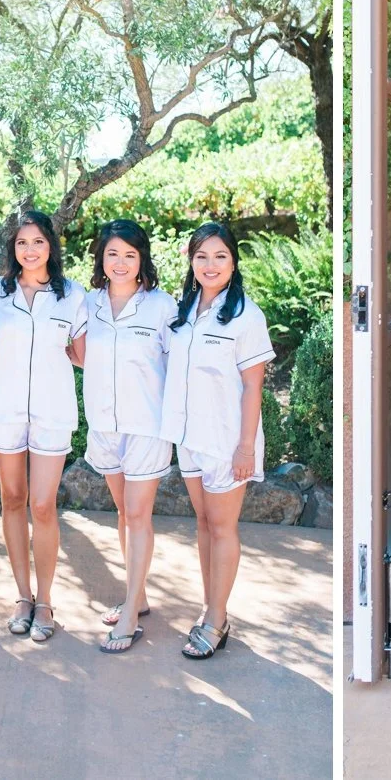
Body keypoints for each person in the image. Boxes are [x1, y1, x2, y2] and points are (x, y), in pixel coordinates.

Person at [160, 222, 274, 660]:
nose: (210, 265)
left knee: (223, 527)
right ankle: (210, 605)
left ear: (233, 261)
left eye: (220, 256)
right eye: (202, 256)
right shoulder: (184, 310)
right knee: (204, 523)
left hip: (227, 441)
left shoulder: (246, 315)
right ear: (191, 261)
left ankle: (217, 619)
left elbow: (253, 386)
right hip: (189, 436)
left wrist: (246, 447)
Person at [0, 210, 86, 643]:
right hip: (3, 409)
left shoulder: (72, 295)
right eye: (22, 242)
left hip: (52, 411)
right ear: (13, 247)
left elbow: (84, 355)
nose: (30, 250)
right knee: (12, 499)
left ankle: (44, 601)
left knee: (42, 506)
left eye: (38, 241)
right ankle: (22, 597)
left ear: (51, 246)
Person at [77, 219, 175, 654]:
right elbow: (78, 353)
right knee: (122, 512)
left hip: (147, 426)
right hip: (103, 423)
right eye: (112, 254)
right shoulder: (88, 303)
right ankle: (140, 595)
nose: (120, 263)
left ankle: (131, 612)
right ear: (101, 257)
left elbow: (175, 363)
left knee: (137, 515)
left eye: (129, 255)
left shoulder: (162, 306)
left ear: (142, 259)